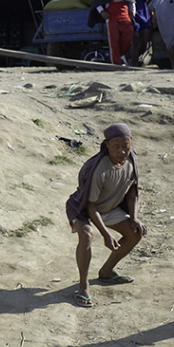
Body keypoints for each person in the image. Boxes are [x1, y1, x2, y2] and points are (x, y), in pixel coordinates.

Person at [64, 122, 146, 308]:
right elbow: (90, 206)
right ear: (106, 145)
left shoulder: (131, 159)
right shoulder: (99, 169)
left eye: (126, 145)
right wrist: (106, 234)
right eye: (116, 146)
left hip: (108, 208)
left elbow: (132, 190)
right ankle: (83, 287)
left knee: (135, 233)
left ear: (131, 143)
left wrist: (133, 217)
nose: (121, 151)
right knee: (87, 236)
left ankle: (107, 272)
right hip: (83, 208)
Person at [89, 0, 135, 65]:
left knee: (128, 38)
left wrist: (133, 10)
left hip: (125, 17)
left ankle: (119, 56)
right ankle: (116, 64)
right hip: (112, 18)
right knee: (113, 43)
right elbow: (97, 0)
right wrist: (102, 11)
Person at [128, 0, 156, 65]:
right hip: (134, 14)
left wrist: (152, 14)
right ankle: (134, 62)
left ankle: (134, 59)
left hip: (144, 14)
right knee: (135, 38)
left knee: (145, 39)